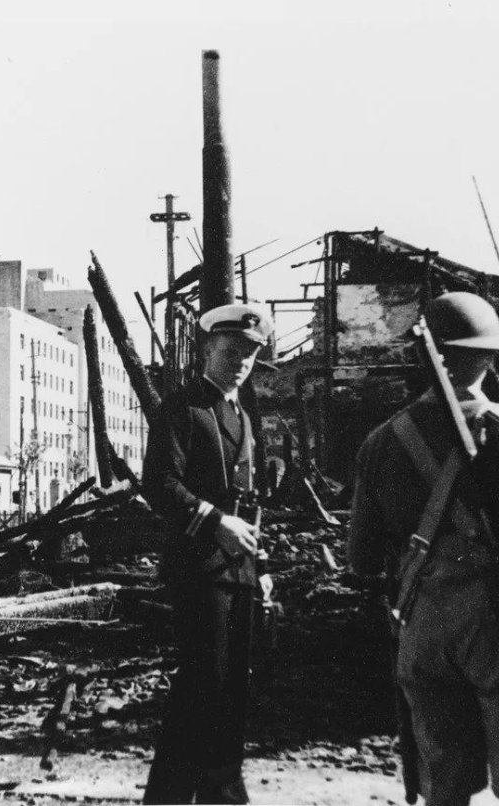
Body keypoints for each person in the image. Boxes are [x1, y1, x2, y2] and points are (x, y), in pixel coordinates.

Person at [349, 291, 499, 806]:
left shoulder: (381, 441)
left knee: (444, 786)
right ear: (488, 356)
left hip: (420, 624)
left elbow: (361, 558)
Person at [142, 303, 274, 805]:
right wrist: (216, 523)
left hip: (237, 572)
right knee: (202, 692)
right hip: (199, 570)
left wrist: (258, 567)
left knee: (230, 694)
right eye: (231, 351)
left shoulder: (242, 415)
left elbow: (250, 503)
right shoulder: (184, 407)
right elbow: (160, 484)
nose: (241, 361)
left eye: (250, 353)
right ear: (207, 350)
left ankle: (221, 794)